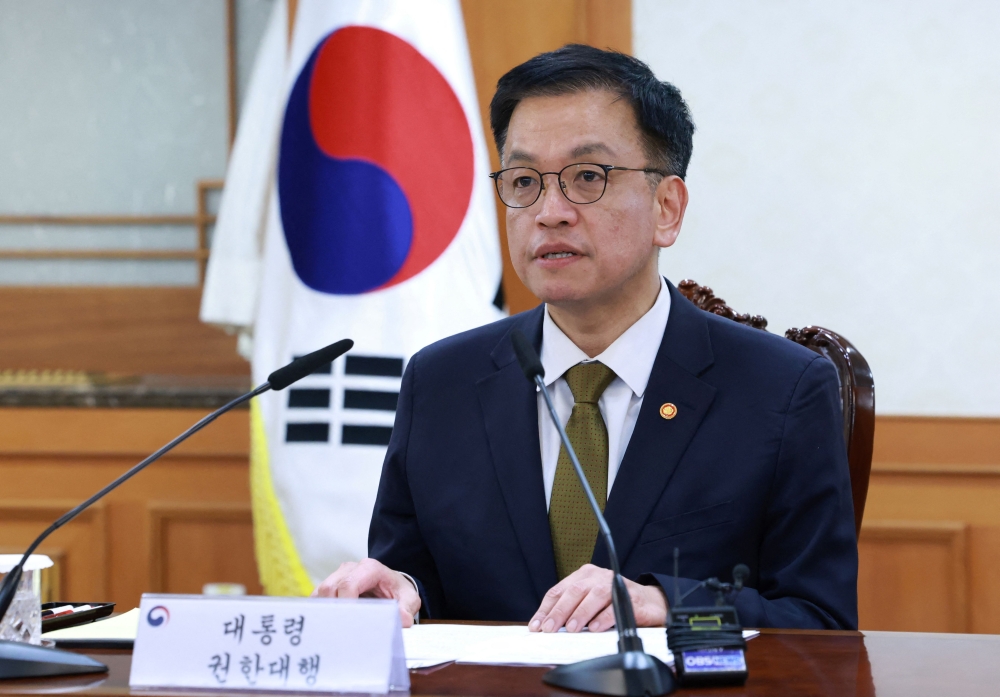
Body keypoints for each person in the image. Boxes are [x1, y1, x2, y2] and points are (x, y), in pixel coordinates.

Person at [314, 44, 858, 632]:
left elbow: (819, 623)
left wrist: (669, 605)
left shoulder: (780, 389)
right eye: (524, 180)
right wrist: (398, 593)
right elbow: (420, 584)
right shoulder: (442, 381)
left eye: (587, 177)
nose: (550, 211)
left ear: (667, 208)